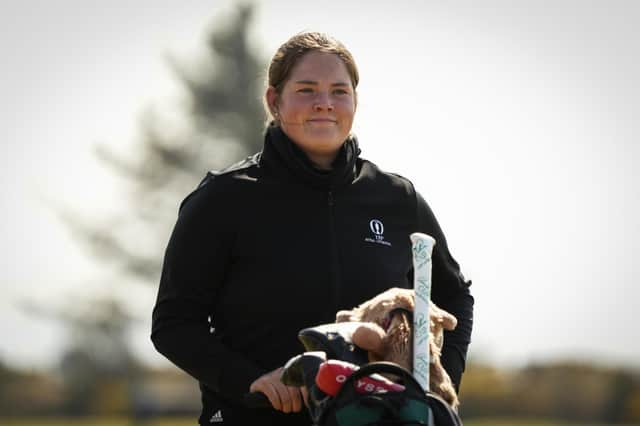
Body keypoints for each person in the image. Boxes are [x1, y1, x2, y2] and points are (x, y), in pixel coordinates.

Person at [151, 31, 474, 426]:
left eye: (339, 91)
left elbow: (455, 296)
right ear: (274, 100)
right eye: (306, 90)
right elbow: (174, 326)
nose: (324, 103)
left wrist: (436, 389)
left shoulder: (397, 198)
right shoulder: (222, 199)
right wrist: (252, 382)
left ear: (354, 102)